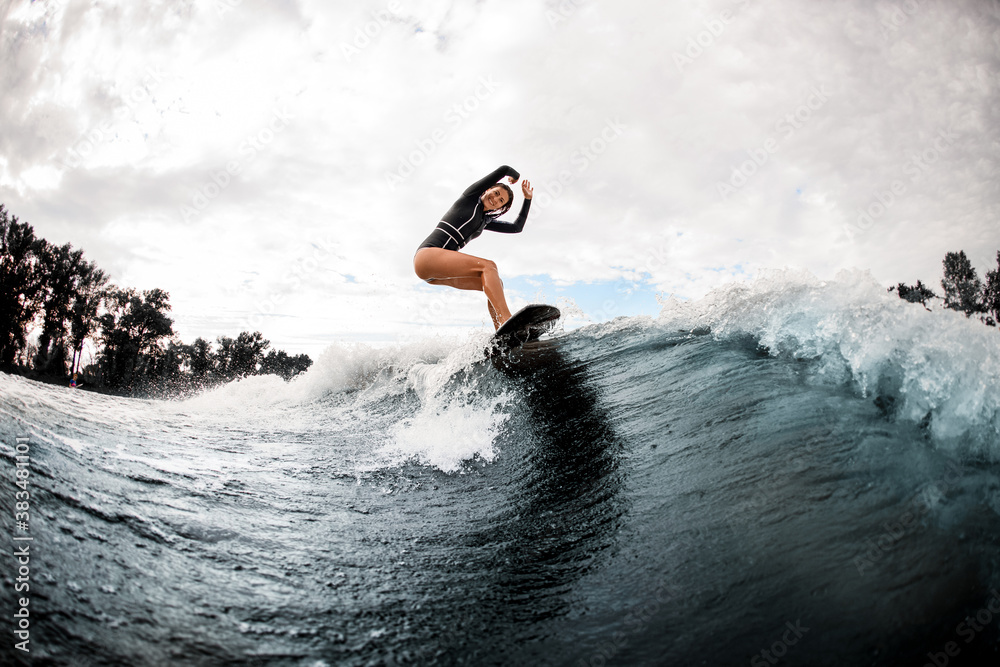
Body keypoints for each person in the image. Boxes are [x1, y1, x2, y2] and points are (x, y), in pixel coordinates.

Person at [413, 165, 533, 330]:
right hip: (426, 256)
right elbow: (504, 169)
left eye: (501, 201)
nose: (496, 199)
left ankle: (501, 332)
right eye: (496, 193)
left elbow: (516, 227)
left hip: (434, 275)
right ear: (488, 189)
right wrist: (515, 176)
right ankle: (508, 321)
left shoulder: (485, 221)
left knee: (495, 281)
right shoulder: (469, 199)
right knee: (489, 266)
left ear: (500, 208)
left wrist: (527, 199)